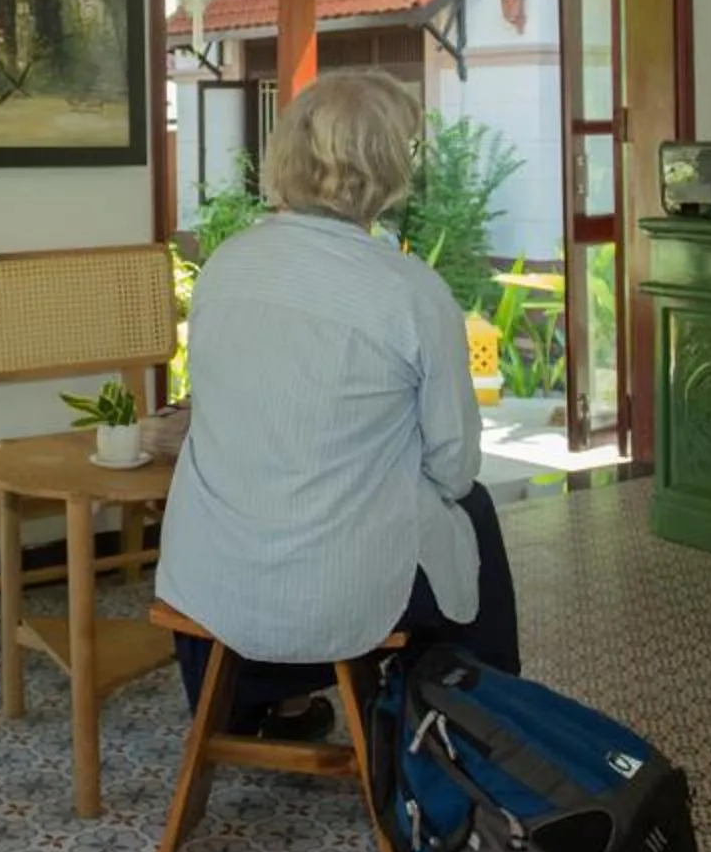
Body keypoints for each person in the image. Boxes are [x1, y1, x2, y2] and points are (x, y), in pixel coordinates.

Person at [154, 70, 519, 748]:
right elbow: (454, 468)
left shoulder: (225, 265)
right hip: (333, 587)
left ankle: (253, 704)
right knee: (472, 516)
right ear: (385, 170)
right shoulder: (409, 291)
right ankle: (475, 731)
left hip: (211, 576)